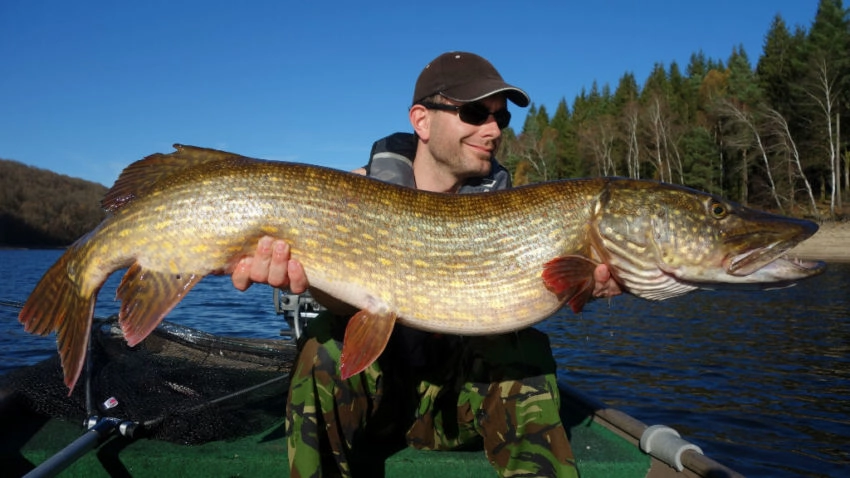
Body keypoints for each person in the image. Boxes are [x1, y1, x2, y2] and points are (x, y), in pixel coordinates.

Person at [231, 52, 621, 477]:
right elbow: (345, 302)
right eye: (474, 113)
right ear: (422, 120)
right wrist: (303, 281)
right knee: (323, 342)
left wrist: (585, 282)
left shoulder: (514, 210)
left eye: (500, 119)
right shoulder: (354, 192)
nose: (492, 130)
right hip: (373, 402)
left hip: (457, 408)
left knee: (524, 349)